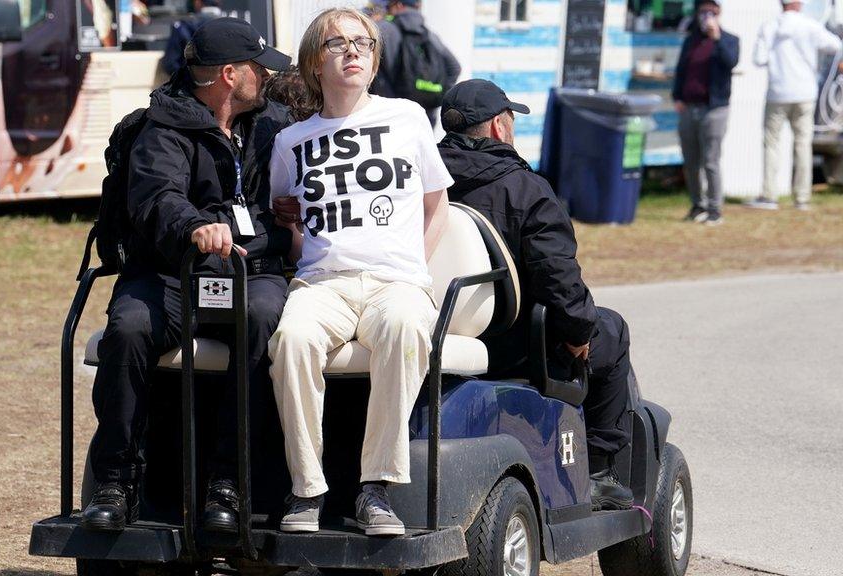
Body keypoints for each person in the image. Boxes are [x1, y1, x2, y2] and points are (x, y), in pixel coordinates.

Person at [81, 17, 293, 533]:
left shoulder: (274, 125)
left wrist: (290, 214)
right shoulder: (162, 128)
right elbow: (157, 197)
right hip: (174, 273)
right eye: (257, 69)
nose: (266, 78)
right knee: (128, 327)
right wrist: (195, 225)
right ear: (228, 75)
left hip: (251, 271)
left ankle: (229, 485)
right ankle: (115, 480)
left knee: (264, 316)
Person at [266, 8, 452, 536]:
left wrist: (413, 265)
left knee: (405, 328)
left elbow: (437, 205)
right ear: (313, 63)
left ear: (374, 62)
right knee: (292, 340)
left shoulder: (409, 118)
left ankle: (377, 490)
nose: (353, 51)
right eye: (338, 43)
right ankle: (307, 489)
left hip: (397, 282)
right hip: (322, 283)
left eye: (363, 43)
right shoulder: (290, 141)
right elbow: (287, 213)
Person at [436, 79, 636, 512]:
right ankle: (599, 469)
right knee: (611, 331)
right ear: (497, 128)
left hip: (439, 332)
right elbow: (558, 278)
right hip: (518, 346)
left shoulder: (420, 183)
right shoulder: (525, 189)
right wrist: (578, 332)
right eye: (509, 119)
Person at [750, 0, 842, 211]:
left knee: (772, 143)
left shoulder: (770, 26)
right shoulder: (810, 26)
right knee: (802, 145)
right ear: (799, 4)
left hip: (778, 92)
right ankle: (802, 198)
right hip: (805, 92)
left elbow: (758, 58)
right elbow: (835, 45)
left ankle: (769, 195)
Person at [672, 0, 739, 225]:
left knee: (710, 161)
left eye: (711, 11)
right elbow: (681, 71)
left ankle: (715, 208)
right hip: (689, 108)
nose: (706, 16)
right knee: (691, 161)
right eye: (703, 11)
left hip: (714, 109)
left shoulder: (729, 40)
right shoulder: (691, 41)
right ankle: (697, 205)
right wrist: (677, 97)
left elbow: (731, 62)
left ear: (718, 13)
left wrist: (716, 37)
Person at [371, 0, 461, 126]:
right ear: (417, 6)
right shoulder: (429, 34)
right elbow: (455, 67)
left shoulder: (381, 29)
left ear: (398, 5)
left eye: (388, 7)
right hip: (425, 117)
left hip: (389, 116)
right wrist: (438, 96)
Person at [161, 0, 223, 77]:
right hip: (224, 85)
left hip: (191, 85)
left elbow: (170, 64)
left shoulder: (183, 26)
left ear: (197, 2)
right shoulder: (232, 27)